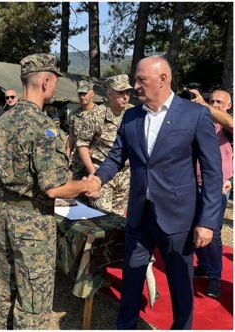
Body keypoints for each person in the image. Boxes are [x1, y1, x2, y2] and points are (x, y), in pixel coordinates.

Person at [89, 55, 222, 329]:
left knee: (180, 284)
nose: (135, 85)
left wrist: (207, 222)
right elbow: (116, 157)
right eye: (135, 79)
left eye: (141, 79)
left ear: (163, 79)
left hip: (178, 220)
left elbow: (211, 173)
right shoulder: (132, 116)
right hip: (139, 217)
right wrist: (98, 179)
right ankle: (125, 325)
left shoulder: (195, 115)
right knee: (132, 278)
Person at [0, 53, 99, 329]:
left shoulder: (3, 121)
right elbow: (54, 188)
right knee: (34, 299)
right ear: (46, 81)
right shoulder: (43, 127)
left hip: (5, 214)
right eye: (56, 82)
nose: (56, 88)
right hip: (33, 221)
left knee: (4, 289)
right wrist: (87, 184)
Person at [189, 88, 233, 297]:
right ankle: (205, 266)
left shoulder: (226, 127)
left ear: (228, 106)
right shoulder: (200, 120)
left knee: (212, 233)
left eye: (219, 102)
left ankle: (215, 276)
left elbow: (231, 123)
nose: (214, 104)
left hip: (216, 188)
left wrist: (204, 105)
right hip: (192, 184)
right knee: (193, 229)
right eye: (211, 100)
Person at [75, 74, 133, 215]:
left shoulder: (132, 113)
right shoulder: (96, 115)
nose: (125, 96)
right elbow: (82, 144)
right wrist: (93, 174)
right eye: (121, 92)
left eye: (127, 92)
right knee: (100, 219)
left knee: (118, 222)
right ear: (109, 93)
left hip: (124, 177)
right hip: (101, 174)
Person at [67, 79, 104, 180]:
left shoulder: (101, 113)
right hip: (76, 164)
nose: (82, 97)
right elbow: (71, 137)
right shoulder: (73, 115)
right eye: (80, 94)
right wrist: (66, 157)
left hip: (95, 163)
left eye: (85, 93)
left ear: (92, 94)